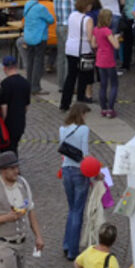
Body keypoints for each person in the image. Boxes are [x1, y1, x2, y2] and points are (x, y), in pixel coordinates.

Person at [58, 104, 93, 260]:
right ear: (82, 114)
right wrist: (96, 172)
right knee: (78, 211)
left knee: (72, 209)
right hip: (80, 172)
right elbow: (85, 153)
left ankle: (66, 244)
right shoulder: (84, 130)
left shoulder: (62, 129)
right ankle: (73, 250)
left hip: (66, 171)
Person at [60, 0, 96, 111]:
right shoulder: (87, 19)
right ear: (86, 6)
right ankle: (80, 104)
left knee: (71, 77)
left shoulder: (72, 15)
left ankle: (64, 103)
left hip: (71, 48)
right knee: (83, 78)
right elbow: (90, 37)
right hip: (83, 50)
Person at [21, 0, 55, 94]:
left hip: (29, 36)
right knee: (38, 62)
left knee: (30, 60)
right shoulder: (41, 8)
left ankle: (29, 84)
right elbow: (51, 20)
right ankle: (35, 86)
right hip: (40, 37)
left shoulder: (27, 5)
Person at [92, 9, 121, 118]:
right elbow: (116, 46)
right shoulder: (107, 31)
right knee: (114, 84)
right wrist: (116, 38)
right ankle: (110, 108)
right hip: (109, 59)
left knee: (103, 85)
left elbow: (94, 44)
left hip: (100, 59)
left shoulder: (96, 29)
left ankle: (103, 108)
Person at [0, 54, 31, 154]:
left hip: (8, 123)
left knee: (7, 149)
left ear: (4, 68)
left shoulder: (4, 84)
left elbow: (4, 107)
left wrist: (2, 122)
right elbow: (26, 106)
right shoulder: (25, 83)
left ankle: (11, 168)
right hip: (20, 122)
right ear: (16, 66)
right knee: (14, 146)